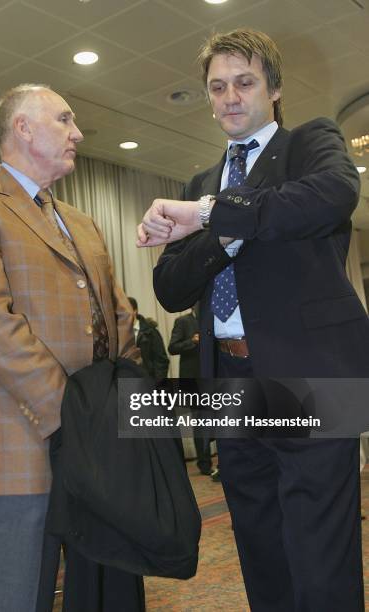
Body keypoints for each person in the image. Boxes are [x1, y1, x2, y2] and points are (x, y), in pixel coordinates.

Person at [137, 29, 369, 612]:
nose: (229, 98)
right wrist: (224, 234)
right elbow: (168, 287)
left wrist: (210, 217)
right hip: (230, 388)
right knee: (261, 551)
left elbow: (332, 196)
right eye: (217, 88)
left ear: (275, 88)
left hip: (311, 379)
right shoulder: (199, 185)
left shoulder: (310, 144)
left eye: (244, 83)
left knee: (321, 558)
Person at [0, 83, 141, 612]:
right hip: (19, 442)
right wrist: (70, 413)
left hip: (93, 443)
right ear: (23, 127)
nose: (77, 133)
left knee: (101, 589)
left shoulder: (85, 223)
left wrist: (119, 412)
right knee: (7, 595)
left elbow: (119, 319)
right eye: (64, 120)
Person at [168, 307, 212, 475]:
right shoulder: (183, 321)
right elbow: (172, 347)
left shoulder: (211, 320)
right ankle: (204, 462)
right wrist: (192, 341)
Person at [128, 297, 169, 381]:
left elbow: (161, 361)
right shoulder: (119, 335)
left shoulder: (150, 332)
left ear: (134, 311)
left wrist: (158, 384)